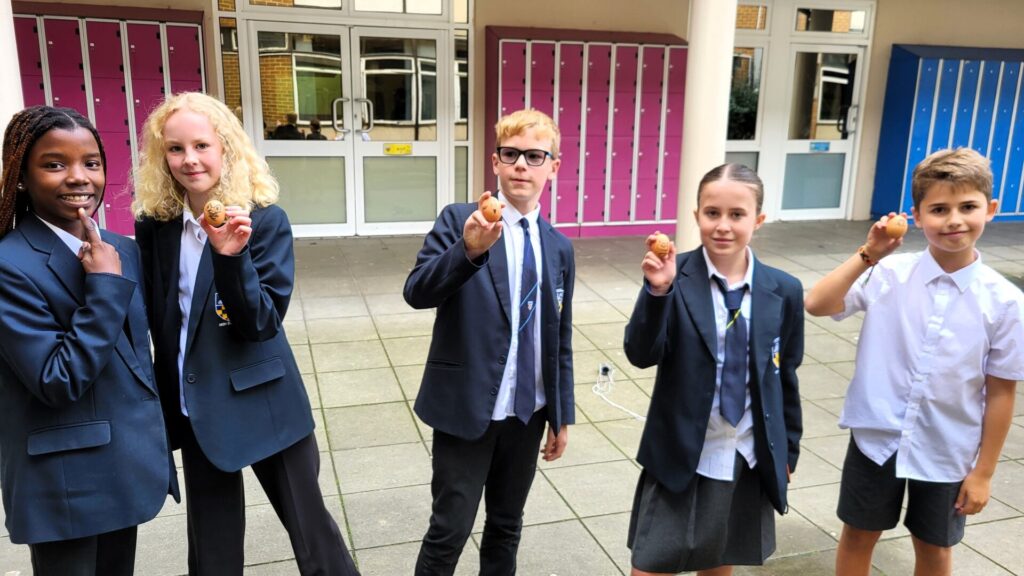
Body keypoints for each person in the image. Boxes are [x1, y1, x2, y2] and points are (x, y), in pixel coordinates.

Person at [132, 92, 359, 576]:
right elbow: (160, 318)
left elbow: (259, 323)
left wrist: (230, 257)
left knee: (314, 540)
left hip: (265, 398)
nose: (189, 159)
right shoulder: (157, 226)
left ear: (226, 149)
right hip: (197, 404)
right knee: (212, 553)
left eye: (201, 145)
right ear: (162, 156)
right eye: (175, 149)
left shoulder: (263, 220)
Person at [805, 147, 1024, 576]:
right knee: (858, 534)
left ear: (991, 209)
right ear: (917, 216)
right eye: (939, 209)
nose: (954, 220)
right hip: (877, 437)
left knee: (934, 545)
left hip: (948, 447)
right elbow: (817, 302)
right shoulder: (888, 273)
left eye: (968, 207)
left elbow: (1001, 391)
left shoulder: (1006, 303)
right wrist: (869, 252)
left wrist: (983, 472)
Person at [0, 105, 177, 575]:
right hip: (64, 486)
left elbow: (138, 359)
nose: (78, 177)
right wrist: (102, 288)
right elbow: (55, 379)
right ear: (20, 176)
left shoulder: (121, 250)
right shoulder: (9, 265)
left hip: (123, 465)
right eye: (55, 164)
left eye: (91, 163)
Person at [404, 108, 575, 575]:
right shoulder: (462, 220)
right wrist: (469, 250)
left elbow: (559, 338)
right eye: (511, 154)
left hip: (527, 413)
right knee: (450, 529)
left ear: (553, 167)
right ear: (495, 162)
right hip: (467, 408)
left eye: (535, 156)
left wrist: (561, 415)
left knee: (506, 525)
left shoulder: (558, 246)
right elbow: (417, 292)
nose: (522, 165)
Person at [623, 163, 804, 576]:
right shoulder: (675, 276)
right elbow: (640, 352)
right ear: (696, 215)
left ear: (758, 219)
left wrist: (787, 447)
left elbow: (786, 376)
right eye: (712, 213)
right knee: (650, 566)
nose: (723, 226)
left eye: (737, 215)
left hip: (746, 451)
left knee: (720, 557)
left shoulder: (784, 290)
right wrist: (658, 291)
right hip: (682, 449)